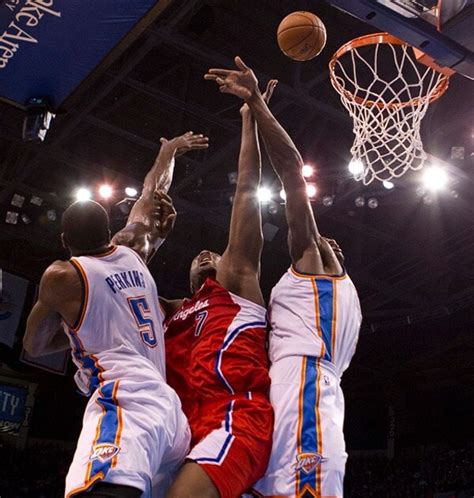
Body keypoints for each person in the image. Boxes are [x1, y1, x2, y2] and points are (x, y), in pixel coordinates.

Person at [205, 57, 362, 498]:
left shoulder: (317, 262)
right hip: (297, 392)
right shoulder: (325, 292)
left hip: (306, 392)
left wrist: (257, 102)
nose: (321, 237)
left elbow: (292, 171)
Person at [23, 131, 208, 498]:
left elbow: (34, 344)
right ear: (110, 231)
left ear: (64, 242)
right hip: (170, 414)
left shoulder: (63, 276)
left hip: (126, 399)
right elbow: (152, 193)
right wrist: (167, 151)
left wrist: (72, 324)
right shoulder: (134, 248)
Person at [156, 81, 278, 498]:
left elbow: (245, 192)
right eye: (197, 254)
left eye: (214, 251)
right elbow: (134, 238)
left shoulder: (236, 282)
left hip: (235, 416)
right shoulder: (170, 312)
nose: (207, 252)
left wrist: (251, 120)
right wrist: (164, 155)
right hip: (180, 434)